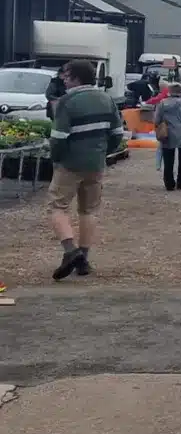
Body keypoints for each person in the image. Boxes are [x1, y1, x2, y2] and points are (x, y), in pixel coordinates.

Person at [46, 59, 124, 279]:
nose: (63, 79)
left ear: (76, 78)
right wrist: (102, 152)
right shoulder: (106, 99)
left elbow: (58, 138)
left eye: (66, 75)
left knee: (57, 206)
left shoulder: (67, 102)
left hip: (70, 163)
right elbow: (117, 134)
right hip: (96, 163)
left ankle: (71, 251)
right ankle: (84, 260)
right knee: (88, 210)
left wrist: (57, 159)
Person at [153, 83, 181, 191]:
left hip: (168, 134)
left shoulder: (162, 104)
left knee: (168, 160)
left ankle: (169, 183)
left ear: (169, 91)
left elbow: (156, 120)